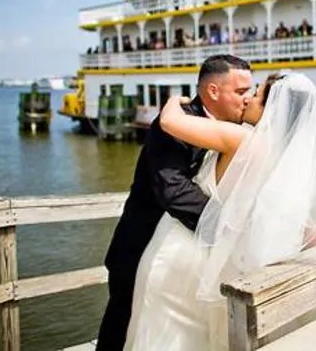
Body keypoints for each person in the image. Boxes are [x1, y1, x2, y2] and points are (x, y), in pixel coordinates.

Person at [123, 72, 316, 351]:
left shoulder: (241, 139)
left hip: (182, 250)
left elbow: (170, 122)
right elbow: (300, 221)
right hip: (221, 261)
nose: (248, 99)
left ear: (273, 108)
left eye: (256, 95)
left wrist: (174, 100)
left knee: (168, 335)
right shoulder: (285, 160)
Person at [96, 54, 253, 350]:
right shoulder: (173, 125)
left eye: (250, 92)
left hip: (184, 256)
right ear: (213, 91)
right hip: (141, 247)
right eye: (240, 91)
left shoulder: (233, 130)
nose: (247, 99)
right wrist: (227, 227)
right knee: (121, 327)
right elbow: (172, 189)